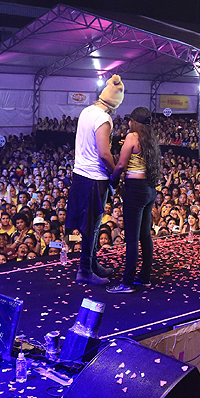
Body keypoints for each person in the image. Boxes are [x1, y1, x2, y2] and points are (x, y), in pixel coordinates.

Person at [66, 74, 124, 285]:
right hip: (94, 178)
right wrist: (116, 171)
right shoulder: (103, 118)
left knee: (90, 224)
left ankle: (91, 264)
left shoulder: (86, 111)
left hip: (80, 175)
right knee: (92, 226)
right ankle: (85, 272)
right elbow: (103, 153)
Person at [107, 107, 162, 293]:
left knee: (131, 238)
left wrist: (112, 180)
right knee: (145, 235)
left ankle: (127, 283)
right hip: (149, 189)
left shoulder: (132, 137)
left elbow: (121, 164)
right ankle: (144, 277)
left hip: (135, 190)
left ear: (134, 122)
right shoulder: (150, 139)